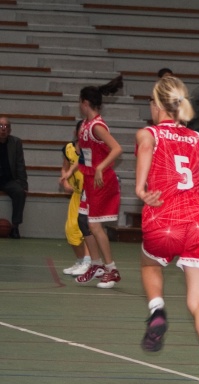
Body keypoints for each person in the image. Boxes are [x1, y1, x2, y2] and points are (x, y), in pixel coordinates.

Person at [135, 74, 199, 384]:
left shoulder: (149, 132)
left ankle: (157, 310)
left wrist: (140, 185)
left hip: (164, 219)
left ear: (159, 104)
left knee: (149, 264)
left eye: (150, 100)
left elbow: (146, 146)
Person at [61, 76, 123, 289]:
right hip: (89, 178)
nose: (79, 105)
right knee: (82, 220)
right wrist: (69, 171)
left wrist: (99, 167)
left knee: (95, 225)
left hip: (101, 180)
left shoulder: (97, 126)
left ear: (85, 103)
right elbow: (83, 156)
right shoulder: (85, 126)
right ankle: (96, 265)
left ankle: (111, 269)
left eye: (80, 102)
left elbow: (117, 149)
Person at [59, 120, 92, 276]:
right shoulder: (68, 149)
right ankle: (80, 262)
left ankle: (88, 262)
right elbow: (65, 168)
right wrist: (65, 181)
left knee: (86, 227)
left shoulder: (92, 150)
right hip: (77, 194)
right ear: (77, 132)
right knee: (71, 229)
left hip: (91, 194)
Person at [0, 116, 28, 238]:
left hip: (8, 180)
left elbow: (20, 164)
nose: (3, 129)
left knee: (19, 192)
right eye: (1, 126)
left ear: (10, 130)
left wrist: (23, 183)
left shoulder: (16, 142)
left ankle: (15, 227)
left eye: (6, 126)